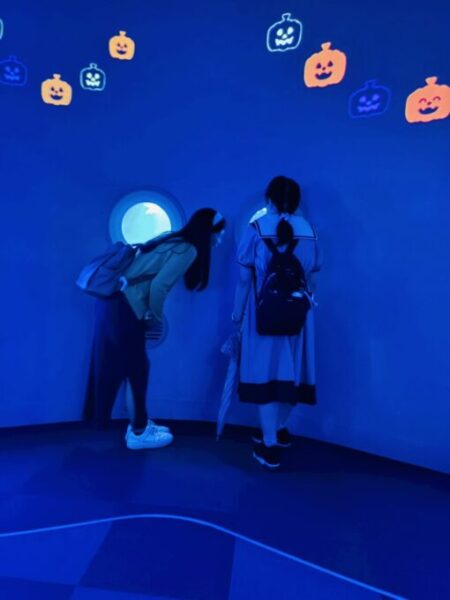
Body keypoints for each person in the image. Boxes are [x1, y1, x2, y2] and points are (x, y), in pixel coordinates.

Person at [84, 208, 226, 450]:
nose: (220, 239)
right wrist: (155, 317)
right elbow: (159, 286)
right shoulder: (188, 250)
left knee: (133, 368)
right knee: (137, 370)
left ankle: (138, 424)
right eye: (218, 233)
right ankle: (139, 432)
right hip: (126, 307)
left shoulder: (171, 238)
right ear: (207, 232)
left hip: (112, 302)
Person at [232, 176, 321, 470]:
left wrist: (237, 317)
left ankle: (269, 445)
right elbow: (312, 280)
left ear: (268, 199)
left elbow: (244, 280)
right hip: (299, 315)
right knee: (292, 373)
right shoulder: (310, 231)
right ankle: (279, 429)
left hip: (263, 314)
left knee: (265, 375)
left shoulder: (256, 228)